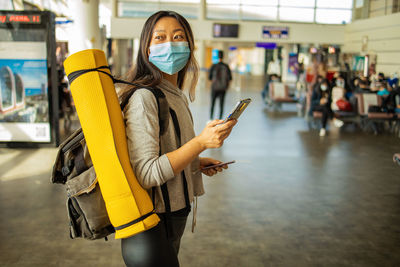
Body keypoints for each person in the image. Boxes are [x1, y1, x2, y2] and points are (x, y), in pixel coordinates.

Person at [117, 11, 237, 267]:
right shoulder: (145, 98)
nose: (170, 44)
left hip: (174, 213)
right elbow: (146, 173)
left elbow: (167, 150)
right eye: (159, 38)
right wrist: (200, 142)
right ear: (146, 49)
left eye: (178, 37)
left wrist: (195, 161)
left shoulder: (175, 95)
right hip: (153, 221)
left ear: (190, 46)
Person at [208, 50, 232, 120]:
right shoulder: (226, 66)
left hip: (214, 88)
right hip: (223, 88)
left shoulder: (213, 66)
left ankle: (211, 119)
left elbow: (209, 77)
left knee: (212, 104)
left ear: (217, 56)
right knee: (221, 105)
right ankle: (220, 119)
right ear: (223, 56)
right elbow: (230, 78)